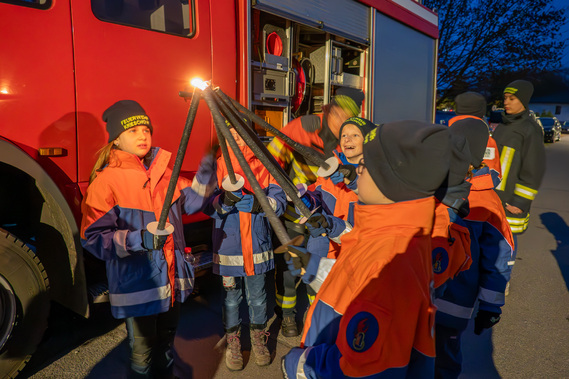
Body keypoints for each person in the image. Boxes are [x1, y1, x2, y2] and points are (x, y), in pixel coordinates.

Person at [282, 120, 452, 378]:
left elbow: (362, 368)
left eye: (364, 166)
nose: (357, 171)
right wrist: (313, 265)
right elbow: (356, 279)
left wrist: (300, 364)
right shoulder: (394, 238)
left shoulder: (392, 259)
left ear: (388, 180)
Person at [80, 100, 216, 378]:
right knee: (141, 353)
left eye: (146, 129)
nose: (143, 135)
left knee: (167, 346)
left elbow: (191, 203)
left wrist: (207, 169)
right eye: (133, 131)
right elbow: (93, 238)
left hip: (171, 281)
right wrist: (138, 239)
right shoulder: (106, 181)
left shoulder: (164, 173)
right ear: (116, 139)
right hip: (138, 286)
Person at [267, 87, 365, 337]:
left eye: (348, 117)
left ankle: (317, 314)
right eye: (338, 112)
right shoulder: (305, 127)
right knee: (290, 269)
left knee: (320, 268)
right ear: (330, 109)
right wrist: (278, 196)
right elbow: (272, 161)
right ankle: (287, 315)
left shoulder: (348, 145)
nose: (340, 121)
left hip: (327, 220)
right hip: (294, 210)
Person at [434, 118, 514, 379]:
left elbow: (499, 259)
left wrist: (491, 306)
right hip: (423, 294)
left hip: (453, 302)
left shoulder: (486, 202)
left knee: (444, 358)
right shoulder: (435, 184)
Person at [203, 126, 286, 371]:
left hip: (258, 249)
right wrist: (223, 201)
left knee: (259, 299)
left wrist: (262, 205)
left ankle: (259, 340)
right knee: (231, 300)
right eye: (230, 132)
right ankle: (233, 341)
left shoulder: (264, 165)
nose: (236, 137)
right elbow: (206, 205)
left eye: (240, 132)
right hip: (229, 250)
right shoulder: (217, 166)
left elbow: (280, 201)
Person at [491, 80, 545, 273]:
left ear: (523, 100)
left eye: (512, 98)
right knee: (493, 246)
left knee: (505, 247)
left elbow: (534, 169)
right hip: (495, 197)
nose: (506, 102)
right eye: (505, 98)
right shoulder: (504, 125)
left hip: (511, 201)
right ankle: (491, 285)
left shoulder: (530, 129)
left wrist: (520, 201)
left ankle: (501, 283)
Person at [448, 91, 502, 178]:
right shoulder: (487, 141)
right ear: (481, 111)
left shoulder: (444, 136)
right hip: (480, 189)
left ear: (458, 109)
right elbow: (495, 175)